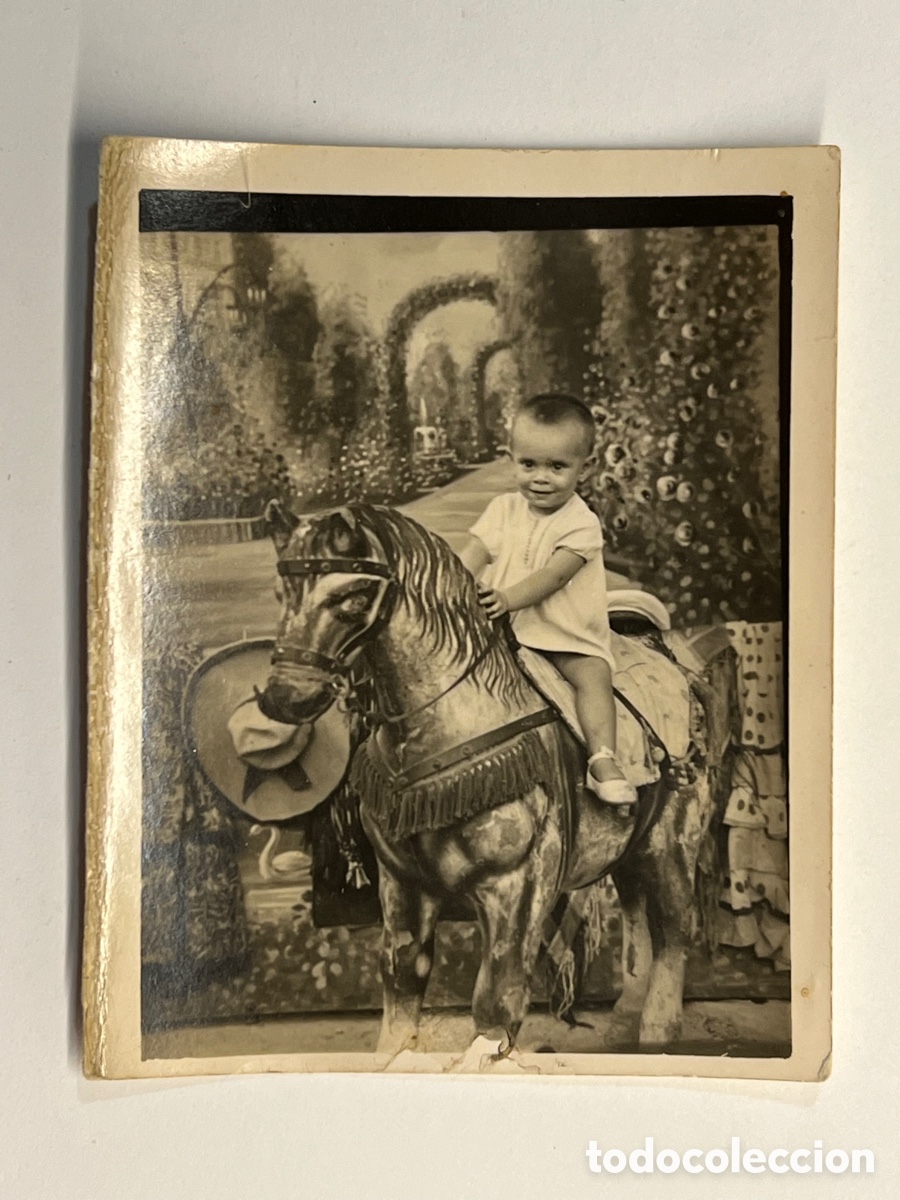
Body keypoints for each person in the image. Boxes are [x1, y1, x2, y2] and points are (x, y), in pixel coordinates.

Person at [458, 393, 637, 806]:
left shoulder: (581, 523)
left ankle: (601, 758)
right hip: (502, 631)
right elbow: (472, 556)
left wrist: (505, 597)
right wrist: (449, 588)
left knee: (593, 676)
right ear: (510, 459)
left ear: (585, 467)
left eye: (557, 467)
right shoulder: (502, 508)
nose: (541, 477)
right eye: (529, 464)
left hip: (563, 634)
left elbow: (553, 577)